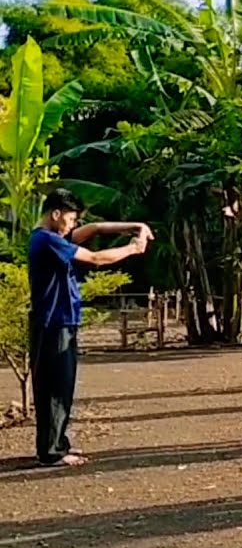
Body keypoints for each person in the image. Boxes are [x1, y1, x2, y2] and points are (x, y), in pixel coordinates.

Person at [28, 189, 151, 467]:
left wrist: (136, 225)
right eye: (71, 219)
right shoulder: (47, 240)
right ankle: (51, 452)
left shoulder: (55, 237)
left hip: (62, 321)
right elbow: (97, 259)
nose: (74, 225)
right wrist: (133, 248)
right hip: (52, 322)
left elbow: (94, 228)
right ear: (56, 214)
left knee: (63, 385)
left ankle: (57, 443)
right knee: (54, 389)